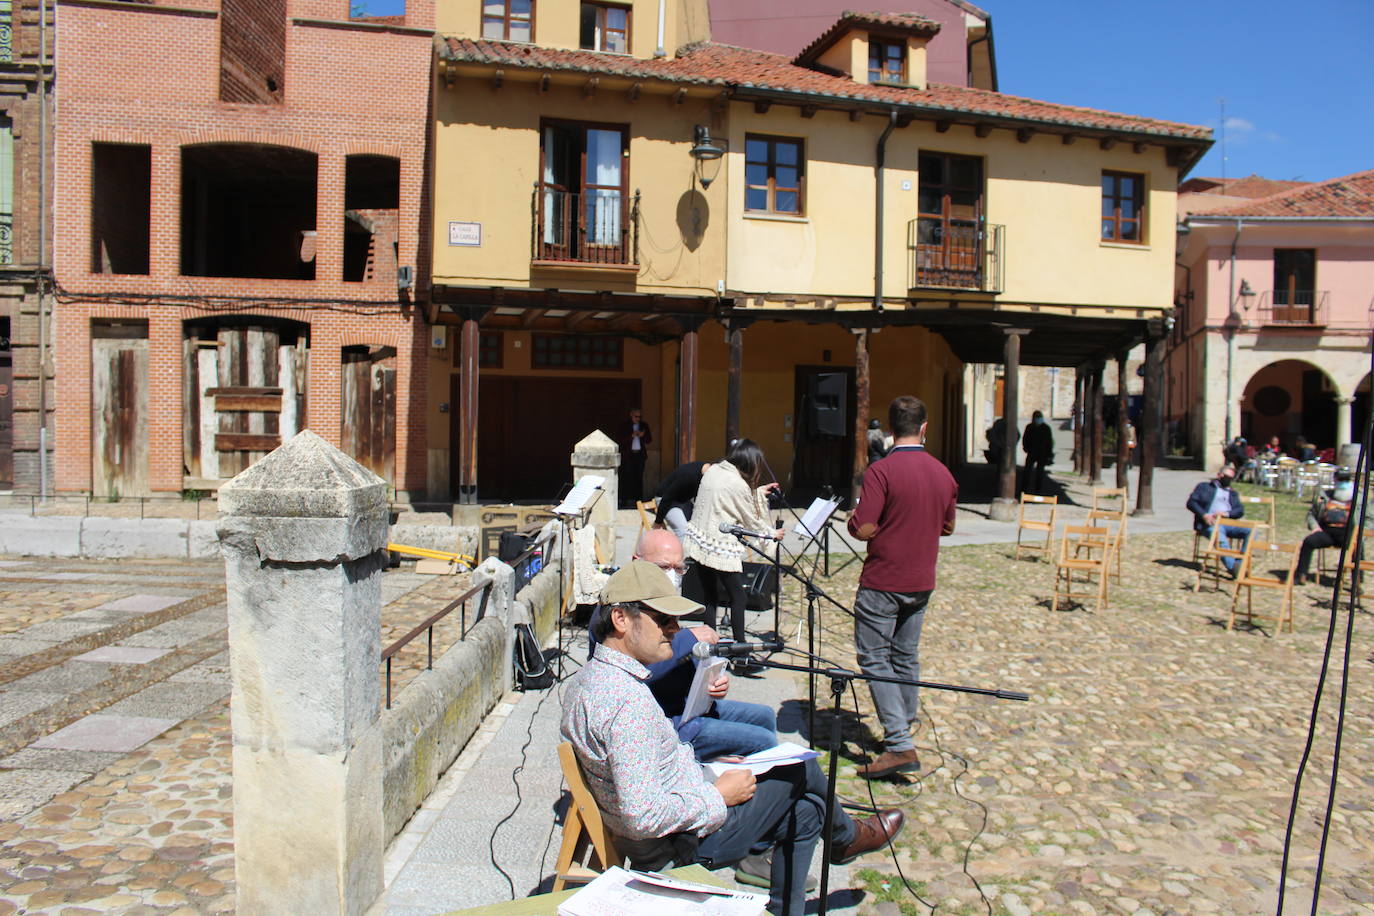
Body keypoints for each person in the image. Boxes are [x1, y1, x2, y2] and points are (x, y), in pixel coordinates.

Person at [562, 561, 905, 916]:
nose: (675, 630)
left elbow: (645, 774)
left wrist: (707, 771)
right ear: (620, 619)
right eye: (664, 620)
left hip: (673, 818)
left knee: (807, 811)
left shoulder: (591, 680)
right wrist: (718, 794)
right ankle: (845, 839)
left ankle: (806, 883)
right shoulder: (626, 704)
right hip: (678, 844)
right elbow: (641, 815)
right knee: (803, 769)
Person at [587, 529, 778, 760]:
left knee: (766, 716)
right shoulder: (618, 610)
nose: (672, 575)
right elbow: (639, 672)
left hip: (687, 706)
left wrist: (710, 682)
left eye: (679, 568)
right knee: (764, 742)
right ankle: (760, 790)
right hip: (669, 722)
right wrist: (689, 638)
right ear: (637, 561)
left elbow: (676, 659)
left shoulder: (660, 604)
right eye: (663, 567)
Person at [847, 396, 958, 779]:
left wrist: (860, 523)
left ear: (890, 430)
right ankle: (904, 724)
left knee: (875, 658)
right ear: (924, 427)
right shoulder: (943, 474)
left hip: (884, 578)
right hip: (921, 577)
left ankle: (898, 744)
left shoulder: (882, 471)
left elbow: (863, 527)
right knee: (905, 655)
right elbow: (948, 527)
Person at [684, 438, 783, 643]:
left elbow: (730, 498)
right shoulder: (737, 484)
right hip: (719, 546)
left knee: (710, 594)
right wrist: (771, 535)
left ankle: (710, 643)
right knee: (738, 596)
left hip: (700, 539)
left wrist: (758, 492)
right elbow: (751, 520)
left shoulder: (716, 470)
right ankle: (740, 648)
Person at [1295, 468, 1355, 586]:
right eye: (1339, 479)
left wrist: (1360, 533)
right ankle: (1301, 574)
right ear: (1335, 479)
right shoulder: (1325, 496)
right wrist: (1315, 527)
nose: (1342, 482)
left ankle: (1357, 581)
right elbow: (1311, 514)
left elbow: (1368, 517)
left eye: (1345, 479)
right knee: (1308, 542)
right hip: (1327, 532)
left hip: (1347, 533)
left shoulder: (1358, 498)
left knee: (1358, 547)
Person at [1185, 465, 1247, 573]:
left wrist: (1227, 514)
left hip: (1228, 522)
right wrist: (1204, 515)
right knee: (1219, 538)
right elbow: (1191, 503)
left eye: (1231, 478)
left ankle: (1240, 564)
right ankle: (1234, 569)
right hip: (1211, 522)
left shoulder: (1232, 493)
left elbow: (1240, 510)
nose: (1228, 480)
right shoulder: (1204, 487)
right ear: (1219, 475)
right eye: (1226, 477)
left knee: (1251, 532)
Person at [654, 460, 710, 541]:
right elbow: (667, 497)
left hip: (683, 500)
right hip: (667, 501)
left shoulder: (705, 474)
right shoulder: (689, 475)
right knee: (684, 532)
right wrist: (658, 521)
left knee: (696, 529)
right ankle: (683, 553)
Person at [617, 407, 652, 508]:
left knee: (638, 479)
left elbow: (649, 440)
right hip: (628, 456)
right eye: (636, 416)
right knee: (626, 479)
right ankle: (624, 501)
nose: (638, 418)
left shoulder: (644, 425)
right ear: (631, 415)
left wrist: (642, 435)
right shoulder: (624, 426)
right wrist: (631, 436)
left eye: (640, 417)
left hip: (639, 456)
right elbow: (620, 439)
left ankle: (638, 502)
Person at [1021, 410, 1054, 495]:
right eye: (1037, 417)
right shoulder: (1029, 427)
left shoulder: (1046, 428)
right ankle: (1024, 488)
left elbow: (1049, 442)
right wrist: (1025, 448)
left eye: (1039, 417)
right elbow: (1025, 438)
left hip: (1042, 453)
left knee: (1040, 472)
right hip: (1031, 452)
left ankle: (1038, 489)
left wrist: (1049, 454)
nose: (1038, 419)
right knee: (1027, 471)